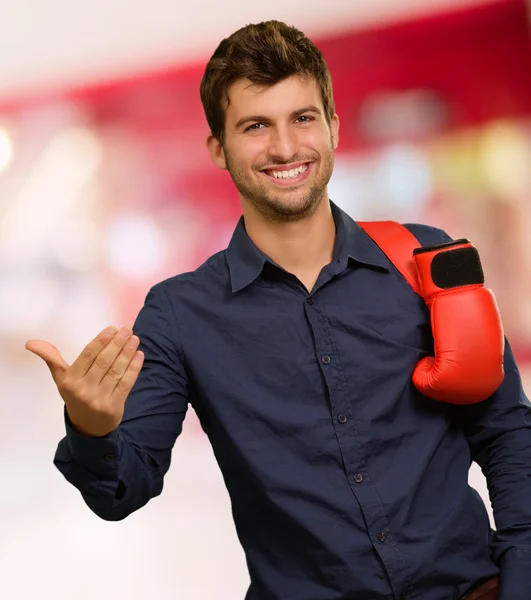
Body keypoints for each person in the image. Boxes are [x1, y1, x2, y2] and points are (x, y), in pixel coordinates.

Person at [25, 20, 531, 600]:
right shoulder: (178, 314)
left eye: (303, 118)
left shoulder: (427, 257)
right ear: (219, 146)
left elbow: (507, 432)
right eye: (256, 125)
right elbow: (123, 489)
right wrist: (93, 430)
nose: (286, 148)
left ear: (334, 128)